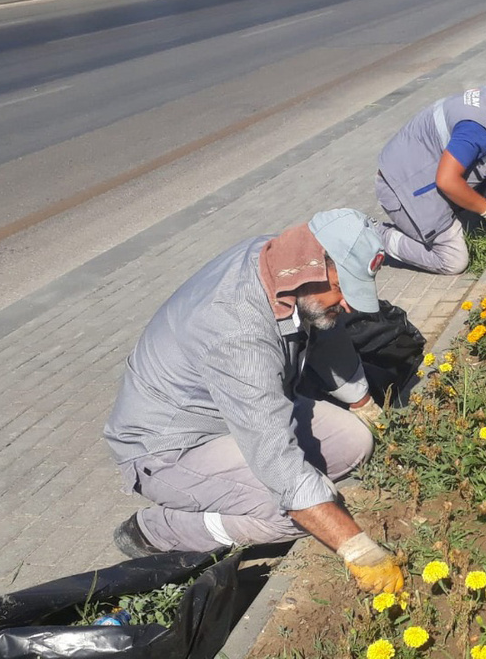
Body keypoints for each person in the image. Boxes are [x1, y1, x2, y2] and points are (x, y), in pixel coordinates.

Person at [104, 208, 404, 594]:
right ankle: (159, 529)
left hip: (238, 409)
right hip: (169, 448)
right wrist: (360, 551)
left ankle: (243, 491)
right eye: (343, 288)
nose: (348, 304)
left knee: (356, 442)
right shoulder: (237, 333)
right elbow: (275, 457)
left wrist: (366, 406)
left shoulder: (283, 261)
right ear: (311, 272)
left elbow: (329, 339)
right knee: (292, 515)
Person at [375, 76, 486, 275]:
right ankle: (377, 236)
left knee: (477, 206)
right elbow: (447, 181)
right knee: (453, 260)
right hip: (403, 189)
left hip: (414, 171)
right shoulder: (475, 128)